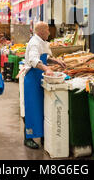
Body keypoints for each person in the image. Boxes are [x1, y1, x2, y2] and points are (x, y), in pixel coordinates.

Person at [22, 21, 66, 149]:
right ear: (41, 31)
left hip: (39, 78)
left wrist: (55, 61)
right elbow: (34, 60)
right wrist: (46, 69)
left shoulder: (42, 41)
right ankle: (28, 137)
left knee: (42, 109)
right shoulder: (35, 42)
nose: (49, 32)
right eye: (47, 30)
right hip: (32, 80)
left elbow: (43, 57)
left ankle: (42, 135)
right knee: (32, 109)